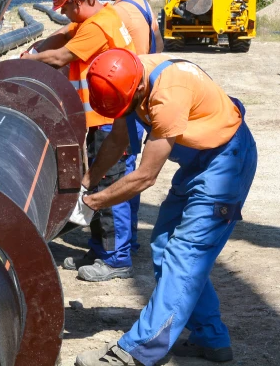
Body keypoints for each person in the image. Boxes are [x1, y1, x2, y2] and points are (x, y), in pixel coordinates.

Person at [73, 50, 257, 366]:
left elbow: (145, 176)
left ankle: (136, 352)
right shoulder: (127, 77)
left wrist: (92, 203)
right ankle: (210, 338)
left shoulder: (168, 95)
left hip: (226, 165)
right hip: (198, 163)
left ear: (138, 92)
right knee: (162, 247)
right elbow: (117, 142)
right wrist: (87, 183)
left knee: (184, 257)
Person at [20, 0, 137, 282]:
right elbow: (62, 35)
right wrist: (36, 47)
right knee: (99, 183)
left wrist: (26, 62)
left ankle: (116, 260)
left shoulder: (97, 27)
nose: (67, 14)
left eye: (67, 7)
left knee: (109, 186)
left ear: (78, 1)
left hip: (111, 120)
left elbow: (60, 58)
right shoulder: (101, 17)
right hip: (102, 118)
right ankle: (100, 249)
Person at [92, 0, 165, 254]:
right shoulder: (142, 4)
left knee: (113, 175)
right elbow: (158, 47)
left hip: (119, 103)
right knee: (127, 173)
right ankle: (127, 242)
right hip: (139, 100)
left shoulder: (117, 11)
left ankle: (115, 254)